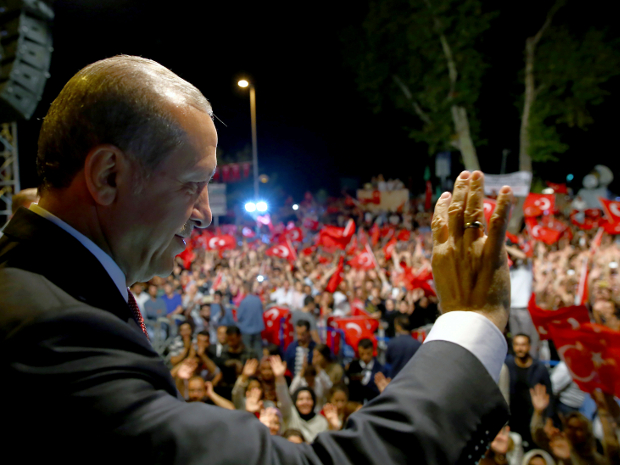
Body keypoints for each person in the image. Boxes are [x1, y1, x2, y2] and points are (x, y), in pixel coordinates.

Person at [0, 53, 511, 464]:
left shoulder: (43, 285)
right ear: (109, 175)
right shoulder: (53, 332)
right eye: (192, 186)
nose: (204, 214)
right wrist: (472, 321)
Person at [505, 334, 553, 451]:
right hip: (513, 417)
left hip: (533, 416)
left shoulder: (539, 368)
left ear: (529, 346)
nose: (520, 348)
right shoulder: (507, 365)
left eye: (523, 344)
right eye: (517, 344)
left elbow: (549, 394)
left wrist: (549, 420)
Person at [272, 355, 330, 442]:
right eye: (301, 399)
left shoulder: (322, 422)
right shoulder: (290, 414)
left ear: (313, 402)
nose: (305, 402)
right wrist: (280, 378)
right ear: (295, 402)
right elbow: (283, 398)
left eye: (308, 399)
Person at [345, 338, 387, 404]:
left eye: (368, 354)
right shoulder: (352, 366)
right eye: (362, 354)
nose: (365, 357)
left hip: (374, 403)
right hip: (355, 404)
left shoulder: (380, 369)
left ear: (373, 351)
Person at [385, 314, 422, 378]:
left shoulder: (392, 343)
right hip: (412, 380)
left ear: (398, 327)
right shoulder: (417, 344)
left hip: (395, 379)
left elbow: (388, 360)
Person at [236, 281, 265, 356]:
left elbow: (239, 317)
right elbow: (262, 312)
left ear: (245, 290)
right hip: (257, 329)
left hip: (246, 330)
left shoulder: (244, 302)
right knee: (258, 349)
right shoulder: (258, 300)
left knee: (248, 351)